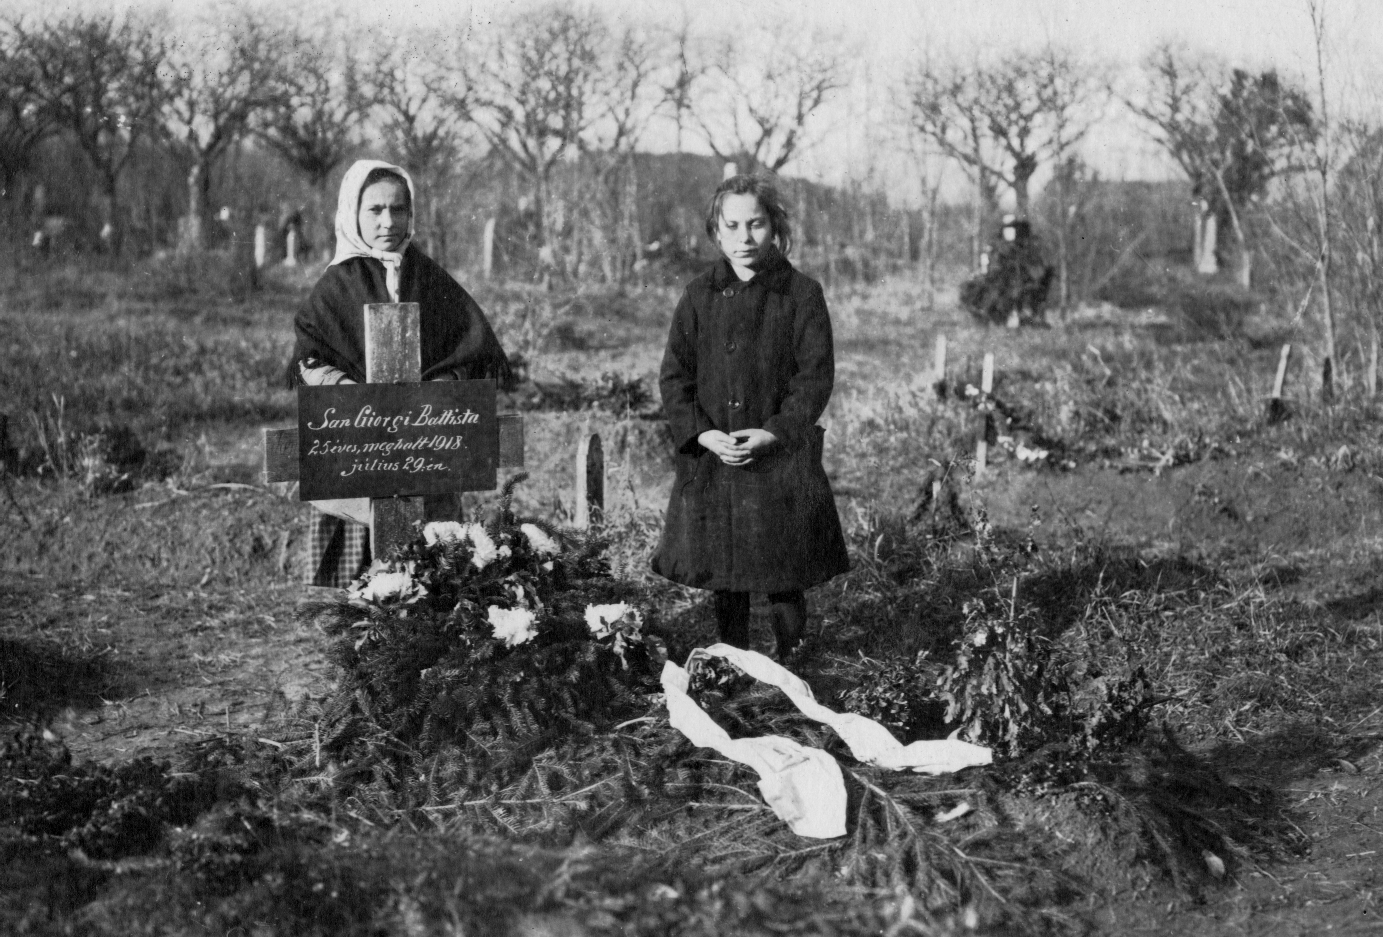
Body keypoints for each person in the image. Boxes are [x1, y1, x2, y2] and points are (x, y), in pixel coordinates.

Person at [652, 175, 850, 658]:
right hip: (719, 455)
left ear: (774, 227)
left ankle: (794, 660)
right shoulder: (699, 296)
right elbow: (675, 378)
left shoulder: (801, 294)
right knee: (727, 568)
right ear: (717, 232)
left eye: (756, 224)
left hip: (779, 457)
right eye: (732, 225)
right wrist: (702, 435)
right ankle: (733, 658)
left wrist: (773, 432)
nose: (744, 237)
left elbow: (814, 379)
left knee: (785, 567)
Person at [291, 159, 512, 588]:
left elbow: (469, 350)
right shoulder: (337, 285)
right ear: (353, 213)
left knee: (437, 588)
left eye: (399, 209)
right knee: (359, 600)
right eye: (374, 210)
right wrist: (356, 397)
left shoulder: (428, 278)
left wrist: (437, 392)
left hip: (426, 447)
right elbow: (311, 359)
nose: (388, 221)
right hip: (359, 455)